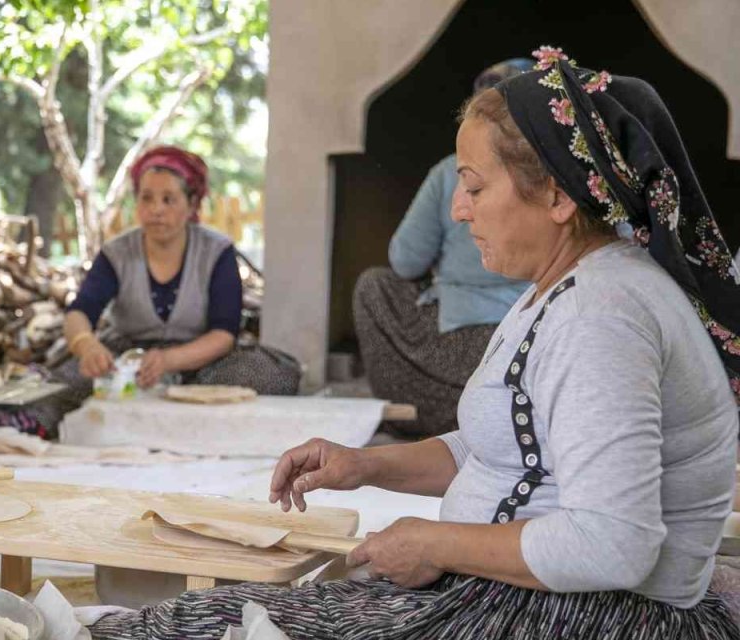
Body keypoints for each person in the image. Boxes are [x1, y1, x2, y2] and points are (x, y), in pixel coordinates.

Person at [89, 47, 740, 639]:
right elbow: (509, 449)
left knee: (176, 630)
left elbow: (613, 545)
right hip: (530, 599)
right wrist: (367, 465)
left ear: (560, 196)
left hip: (580, 618)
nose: (459, 209)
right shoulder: (566, 286)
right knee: (180, 622)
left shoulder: (604, 314)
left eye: (476, 186)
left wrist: (436, 544)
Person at [45, 146, 299, 421]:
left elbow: (224, 334)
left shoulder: (217, 252)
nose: (156, 210)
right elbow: (80, 311)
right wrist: (87, 346)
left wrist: (168, 362)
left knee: (267, 374)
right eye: (146, 198)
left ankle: (171, 402)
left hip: (199, 360)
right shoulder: (116, 253)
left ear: (191, 205)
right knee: (61, 384)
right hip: (130, 359)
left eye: (169, 199)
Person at [353, 58, 534, 439]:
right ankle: (478, 417)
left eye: (476, 189)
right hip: (522, 339)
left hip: (499, 338)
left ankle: (426, 415)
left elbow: (405, 261)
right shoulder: (562, 171)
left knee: (376, 286)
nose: (461, 210)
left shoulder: (452, 171)